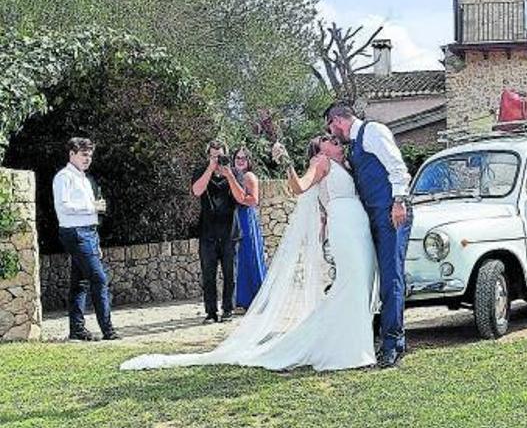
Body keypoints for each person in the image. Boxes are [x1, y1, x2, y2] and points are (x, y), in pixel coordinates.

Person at [121, 134, 379, 372]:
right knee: (350, 282)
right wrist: (287, 163)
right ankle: (349, 348)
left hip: (358, 226)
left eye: (334, 138)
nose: (334, 140)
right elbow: (299, 187)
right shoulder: (322, 162)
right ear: (319, 150)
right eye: (327, 139)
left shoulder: (347, 163)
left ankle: (352, 340)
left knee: (359, 282)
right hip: (344, 227)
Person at [325, 103, 413, 368]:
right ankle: (392, 340)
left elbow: (397, 167)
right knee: (380, 279)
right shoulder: (353, 145)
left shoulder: (373, 131)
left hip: (391, 213)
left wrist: (399, 202)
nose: (331, 132)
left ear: (337, 120)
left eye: (330, 127)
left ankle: (392, 345)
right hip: (373, 217)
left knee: (391, 277)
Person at [52, 137, 119, 341]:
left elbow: (91, 216)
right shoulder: (64, 177)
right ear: (71, 154)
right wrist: (92, 208)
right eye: (83, 155)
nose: (87, 159)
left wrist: (96, 240)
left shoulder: (84, 179)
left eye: (90, 155)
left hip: (88, 232)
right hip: (75, 233)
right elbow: (62, 207)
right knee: (99, 279)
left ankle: (77, 330)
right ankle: (108, 330)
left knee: (79, 283)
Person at [191, 140, 238, 323]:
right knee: (208, 274)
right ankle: (211, 312)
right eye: (213, 156)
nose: (217, 159)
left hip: (230, 231)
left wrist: (228, 175)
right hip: (208, 232)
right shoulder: (201, 171)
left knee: (229, 273)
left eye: (220, 156)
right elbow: (196, 191)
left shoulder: (234, 173)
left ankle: (228, 309)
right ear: (208, 156)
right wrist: (210, 169)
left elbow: (240, 196)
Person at [220, 146, 267, 309]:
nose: (240, 161)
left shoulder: (248, 176)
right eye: (237, 158)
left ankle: (255, 298)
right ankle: (243, 299)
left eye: (243, 158)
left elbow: (253, 200)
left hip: (245, 218)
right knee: (239, 259)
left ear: (249, 161)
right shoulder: (234, 175)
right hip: (235, 218)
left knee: (249, 256)